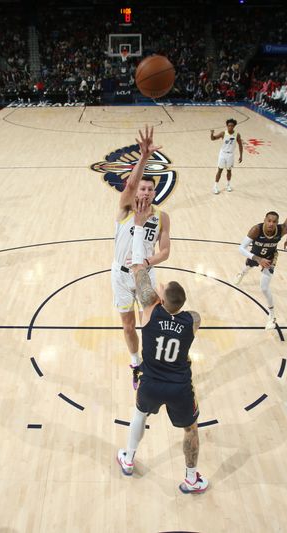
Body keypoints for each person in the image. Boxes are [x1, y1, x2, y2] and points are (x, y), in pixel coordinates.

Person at [116, 197, 207, 494]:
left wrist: (139, 226)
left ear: (161, 299)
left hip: (151, 382)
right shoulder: (192, 320)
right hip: (180, 385)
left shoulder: (148, 311)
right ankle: (191, 477)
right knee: (190, 429)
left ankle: (128, 458)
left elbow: (138, 268)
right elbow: (191, 315)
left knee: (139, 414)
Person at [113, 125, 172, 389]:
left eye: (150, 189)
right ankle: (136, 364)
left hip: (145, 275)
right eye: (142, 189)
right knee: (128, 326)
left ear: (155, 193)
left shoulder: (162, 217)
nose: (145, 192)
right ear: (137, 192)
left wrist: (147, 263)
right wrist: (144, 157)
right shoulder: (126, 208)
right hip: (120, 276)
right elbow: (131, 182)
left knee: (149, 325)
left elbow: (166, 252)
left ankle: (153, 363)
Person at [234, 211, 287, 329]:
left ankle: (272, 316)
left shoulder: (281, 229)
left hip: (270, 258)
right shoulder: (256, 229)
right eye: (269, 221)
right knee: (248, 267)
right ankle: (241, 274)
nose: (271, 224)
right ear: (264, 220)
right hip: (256, 254)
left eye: (274, 222)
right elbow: (241, 248)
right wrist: (258, 259)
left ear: (277, 223)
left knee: (264, 288)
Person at [209, 118, 243, 194]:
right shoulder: (223, 133)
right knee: (220, 170)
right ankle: (215, 186)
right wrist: (212, 134)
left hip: (230, 154)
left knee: (229, 170)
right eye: (229, 125)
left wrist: (241, 155)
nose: (230, 127)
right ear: (227, 126)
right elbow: (213, 139)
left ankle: (228, 185)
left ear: (234, 126)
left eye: (232, 126)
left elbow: (240, 145)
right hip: (223, 154)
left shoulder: (237, 134)